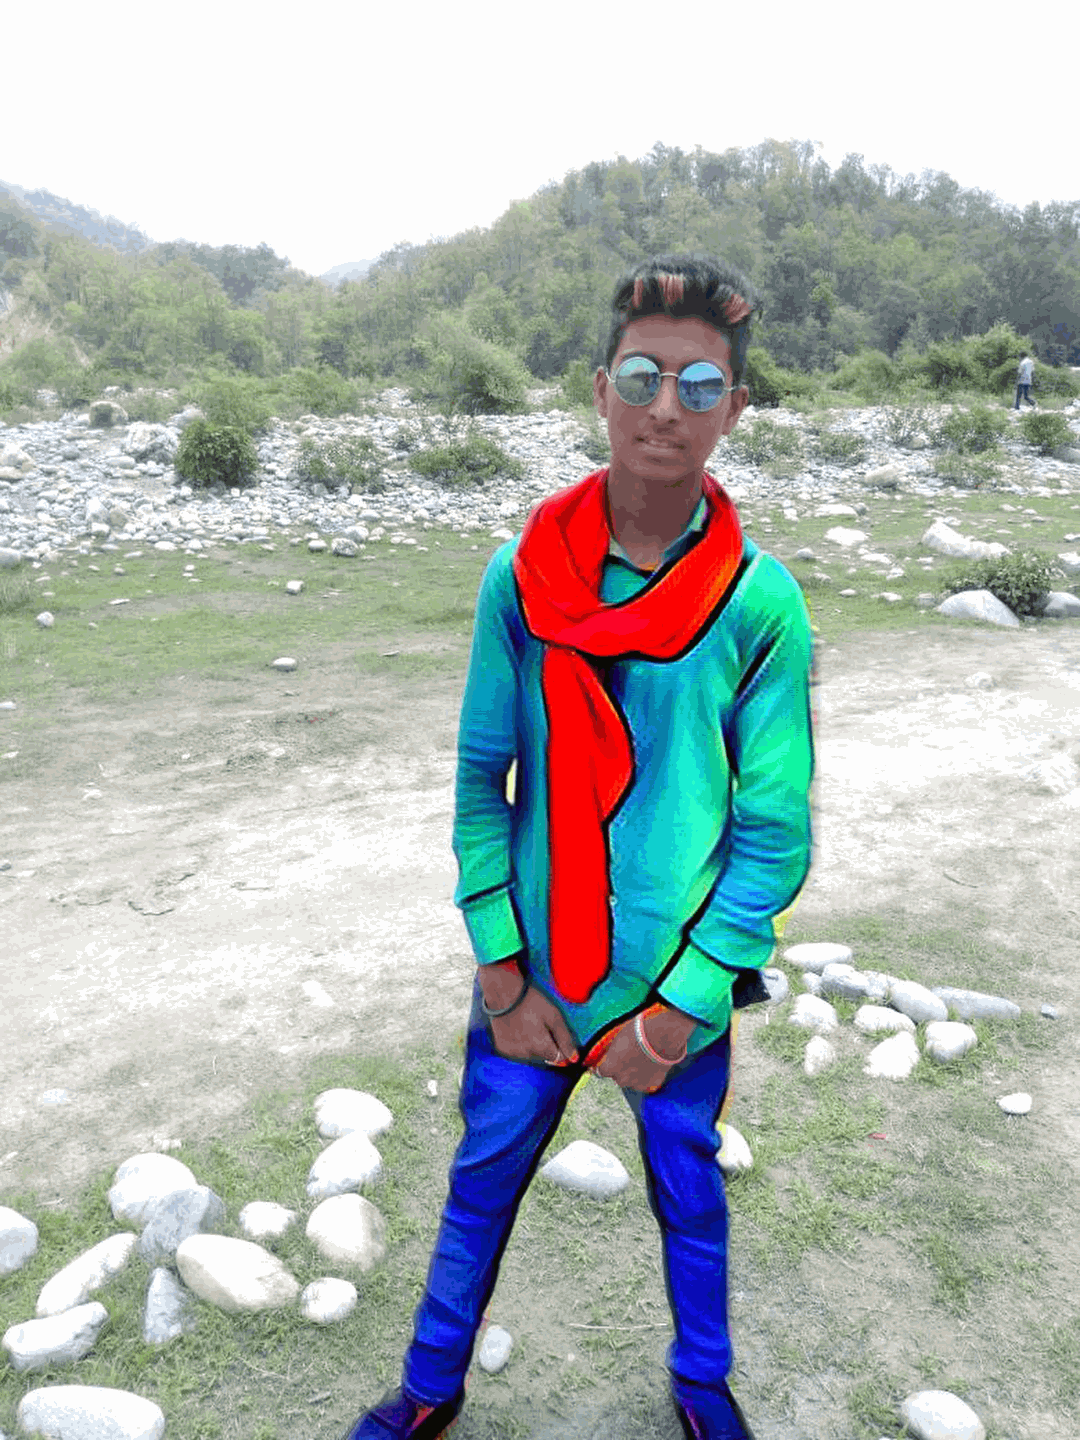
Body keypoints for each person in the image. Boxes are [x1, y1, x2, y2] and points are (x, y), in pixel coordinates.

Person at [339, 254, 816, 1440]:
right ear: (601, 390)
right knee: (480, 1187)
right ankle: (429, 1389)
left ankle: (702, 1388)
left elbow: (770, 837)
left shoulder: (759, 605)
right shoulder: (523, 577)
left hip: (675, 983)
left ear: (734, 410)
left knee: (690, 1196)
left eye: (699, 386)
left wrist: (679, 1011)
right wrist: (504, 976)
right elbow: (479, 786)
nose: (666, 409)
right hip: (535, 974)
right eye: (643, 378)